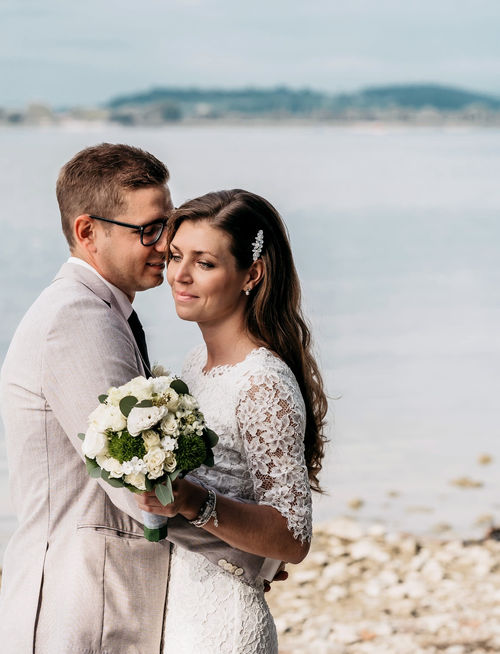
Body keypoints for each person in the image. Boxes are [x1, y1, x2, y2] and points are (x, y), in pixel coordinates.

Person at [0, 145, 274, 654]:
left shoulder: (102, 310)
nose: (165, 244)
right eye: (148, 229)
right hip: (83, 604)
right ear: (88, 231)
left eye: (167, 224)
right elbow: (141, 488)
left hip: (103, 597)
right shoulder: (78, 319)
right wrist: (254, 552)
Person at [136, 189, 328, 653]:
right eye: (176, 256)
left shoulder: (262, 383)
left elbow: (292, 536)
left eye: (204, 263)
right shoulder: (193, 363)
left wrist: (192, 500)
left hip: (222, 624)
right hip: (176, 608)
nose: (179, 275)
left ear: (252, 274)